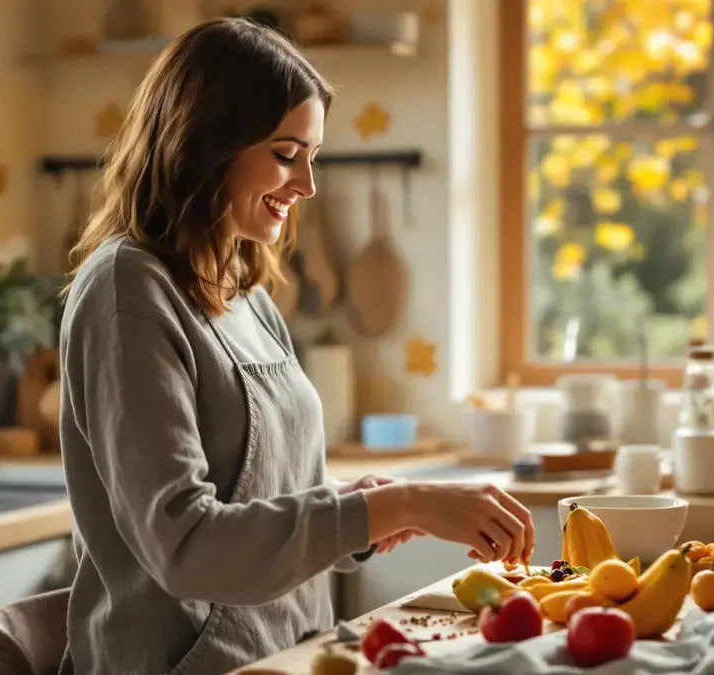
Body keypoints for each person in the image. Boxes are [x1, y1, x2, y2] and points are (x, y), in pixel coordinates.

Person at [57, 17, 537, 675]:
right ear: (204, 142)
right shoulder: (127, 286)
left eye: (312, 157)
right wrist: (399, 503)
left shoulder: (245, 289)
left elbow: (271, 499)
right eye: (287, 154)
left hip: (287, 654)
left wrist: (360, 504)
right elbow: (187, 545)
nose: (306, 186)